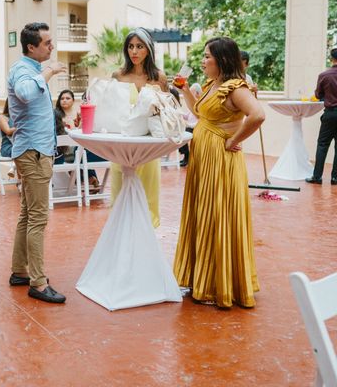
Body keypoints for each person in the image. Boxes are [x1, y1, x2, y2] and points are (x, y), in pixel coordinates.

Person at [173, 37, 265, 309]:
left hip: (221, 160)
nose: (202, 61)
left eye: (207, 56)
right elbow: (200, 113)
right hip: (204, 158)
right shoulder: (214, 85)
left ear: (222, 60)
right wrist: (185, 90)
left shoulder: (236, 87)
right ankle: (202, 277)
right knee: (204, 213)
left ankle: (220, 283)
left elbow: (257, 115)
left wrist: (233, 140)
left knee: (218, 214)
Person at [7, 22, 67, 304]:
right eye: (46, 42)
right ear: (32, 47)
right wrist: (50, 71)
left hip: (35, 150)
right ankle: (38, 283)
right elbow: (27, 94)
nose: (51, 46)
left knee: (28, 214)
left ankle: (20, 271)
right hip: (33, 152)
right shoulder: (23, 70)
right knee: (38, 218)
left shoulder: (31, 70)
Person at [111, 27, 168, 228]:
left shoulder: (159, 78)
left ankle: (146, 242)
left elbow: (166, 109)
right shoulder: (118, 75)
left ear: (148, 49)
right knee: (120, 193)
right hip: (123, 145)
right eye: (131, 47)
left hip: (149, 146)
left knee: (148, 195)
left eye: (139, 47)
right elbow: (111, 107)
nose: (134, 51)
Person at [53, 89, 100, 190]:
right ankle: (90, 179)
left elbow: (83, 130)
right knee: (80, 154)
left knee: (82, 152)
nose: (64, 100)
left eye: (67, 98)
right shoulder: (56, 116)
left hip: (78, 146)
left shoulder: (79, 114)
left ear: (73, 100)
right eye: (62, 98)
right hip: (64, 150)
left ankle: (87, 180)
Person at [306, 47, 337, 185]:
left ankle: (317, 177)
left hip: (330, 114)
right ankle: (335, 178)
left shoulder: (324, 75)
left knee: (322, 144)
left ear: (332, 59)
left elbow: (318, 95)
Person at [178, 83, 203, 167]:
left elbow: (200, 120)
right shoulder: (193, 104)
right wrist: (178, 113)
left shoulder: (200, 104)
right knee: (179, 134)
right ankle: (186, 156)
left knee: (182, 135)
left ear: (197, 93)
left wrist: (188, 124)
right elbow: (187, 116)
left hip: (196, 128)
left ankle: (187, 156)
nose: (190, 95)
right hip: (190, 127)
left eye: (191, 92)